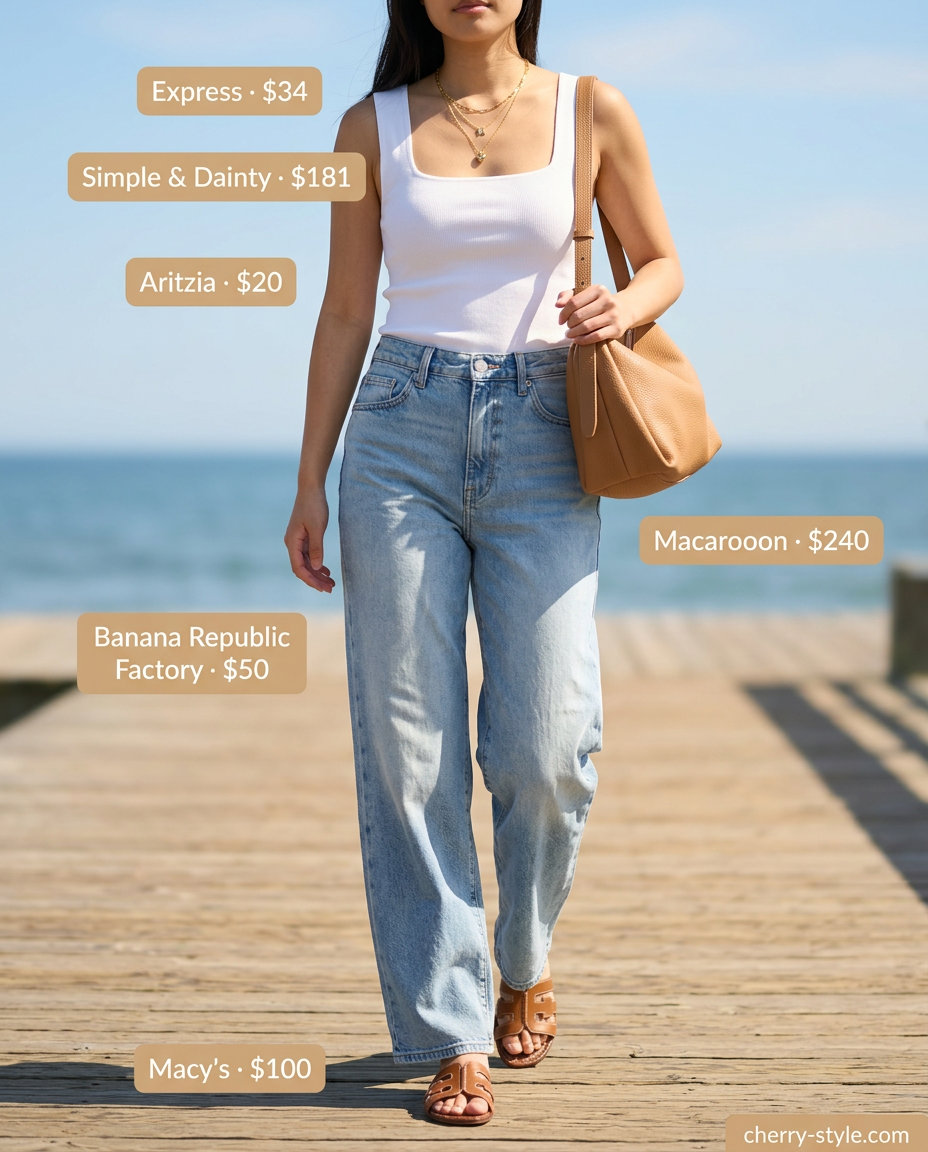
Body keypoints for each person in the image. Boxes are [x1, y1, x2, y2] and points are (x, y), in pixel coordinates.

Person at [285, 0, 684, 1127]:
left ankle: (525, 955)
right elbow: (346, 308)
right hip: (397, 432)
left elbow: (662, 263)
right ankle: (450, 1033)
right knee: (408, 749)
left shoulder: (592, 108)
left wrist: (618, 304)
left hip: (546, 429)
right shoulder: (367, 128)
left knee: (548, 741)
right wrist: (310, 478)